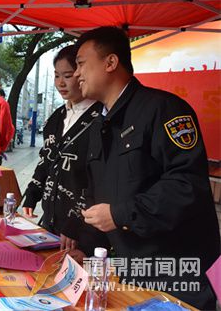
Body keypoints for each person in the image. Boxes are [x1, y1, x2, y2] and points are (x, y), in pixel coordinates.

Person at [74, 26, 219, 309]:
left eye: (80, 64)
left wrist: (119, 214)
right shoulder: (98, 124)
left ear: (111, 62)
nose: (77, 74)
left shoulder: (164, 110)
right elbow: (99, 196)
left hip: (175, 273)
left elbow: (187, 184)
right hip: (131, 270)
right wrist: (86, 244)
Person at [21, 45, 106, 257]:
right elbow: (46, 160)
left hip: (85, 225)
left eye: (67, 75)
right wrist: (32, 194)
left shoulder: (101, 118)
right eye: (57, 76)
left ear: (81, 73)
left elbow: (100, 179)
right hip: (52, 218)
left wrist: (78, 222)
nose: (61, 83)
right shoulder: (56, 117)